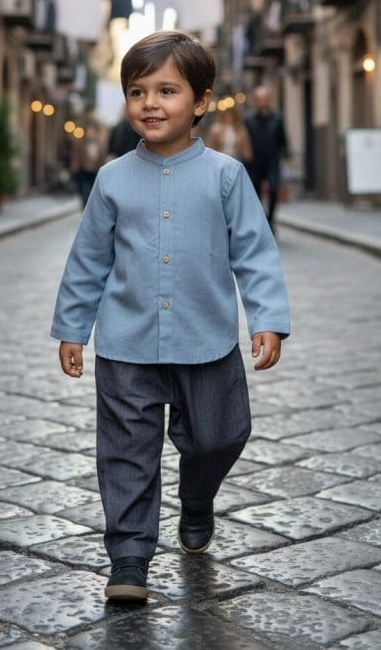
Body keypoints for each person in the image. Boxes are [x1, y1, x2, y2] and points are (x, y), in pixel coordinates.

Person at [50, 30, 290, 603]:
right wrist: (71, 327)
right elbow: (89, 260)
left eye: (166, 90)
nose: (150, 104)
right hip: (126, 344)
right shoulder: (110, 180)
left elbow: (254, 253)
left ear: (201, 101)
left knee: (221, 435)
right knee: (126, 450)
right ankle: (129, 558)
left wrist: (267, 318)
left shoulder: (228, 177)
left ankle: (198, 496)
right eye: (137, 92)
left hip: (206, 340)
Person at [244, 85, 290, 233]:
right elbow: (244, 140)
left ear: (269, 100)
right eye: (258, 99)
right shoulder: (249, 119)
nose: (261, 102)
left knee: (274, 189)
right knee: (255, 194)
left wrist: (286, 156)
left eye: (264, 99)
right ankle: (263, 220)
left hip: (272, 160)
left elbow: (283, 139)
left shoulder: (277, 118)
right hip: (253, 162)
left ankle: (270, 220)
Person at [71, 121, 106, 208]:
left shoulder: (100, 145)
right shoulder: (80, 143)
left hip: (95, 174)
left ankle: (91, 214)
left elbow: (102, 159)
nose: (91, 133)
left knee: (94, 196)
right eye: (89, 130)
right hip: (83, 173)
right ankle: (85, 214)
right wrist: (75, 167)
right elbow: (75, 157)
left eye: (93, 130)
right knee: (85, 195)